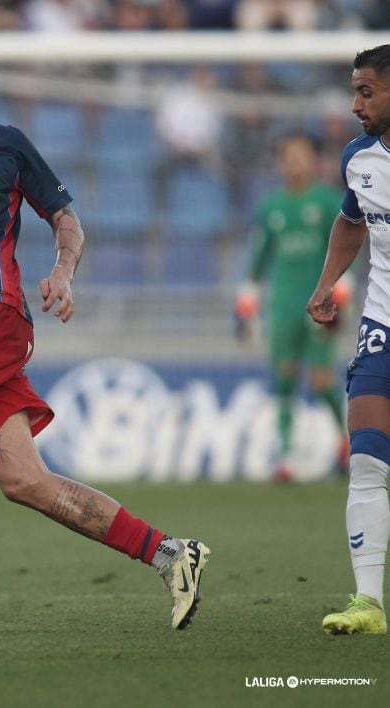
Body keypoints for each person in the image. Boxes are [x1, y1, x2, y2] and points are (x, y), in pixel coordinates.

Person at [0, 30, 210, 630]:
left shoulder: (2, 145)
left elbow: (64, 216)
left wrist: (63, 270)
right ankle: (171, 554)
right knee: (26, 481)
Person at [307, 44, 390, 636]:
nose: (355, 103)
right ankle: (369, 603)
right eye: (354, 90)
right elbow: (350, 220)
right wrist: (327, 282)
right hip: (382, 325)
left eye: (366, 91)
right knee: (365, 458)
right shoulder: (360, 158)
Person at [235, 132, 350, 482]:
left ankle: (347, 441)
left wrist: (342, 293)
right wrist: (247, 302)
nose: (294, 161)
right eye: (288, 155)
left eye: (301, 154)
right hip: (283, 305)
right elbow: (260, 256)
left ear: (314, 160)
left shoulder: (330, 201)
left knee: (321, 379)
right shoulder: (272, 207)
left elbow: (348, 249)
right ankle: (285, 458)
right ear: (280, 161)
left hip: (320, 304)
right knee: (284, 379)